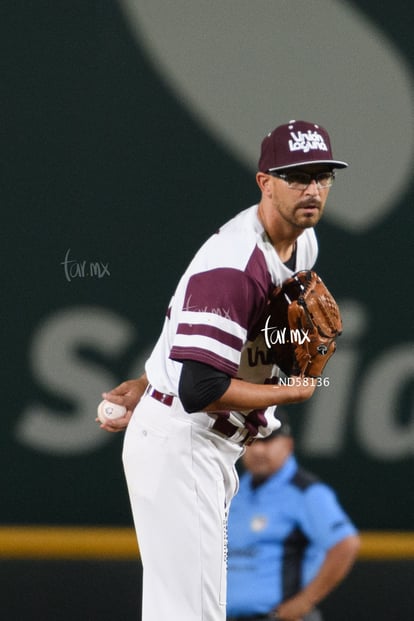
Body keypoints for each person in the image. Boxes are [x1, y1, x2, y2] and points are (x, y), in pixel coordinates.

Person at [98, 120, 349, 621]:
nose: (312, 189)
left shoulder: (304, 242)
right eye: (297, 176)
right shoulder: (234, 264)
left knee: (184, 611)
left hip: (201, 443)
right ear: (265, 182)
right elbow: (199, 387)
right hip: (183, 440)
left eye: (322, 176)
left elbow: (213, 342)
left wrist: (149, 382)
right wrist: (291, 394)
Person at [226, 412, 360, 621]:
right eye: (253, 440)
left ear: (288, 445)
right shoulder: (233, 490)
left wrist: (304, 602)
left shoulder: (307, 492)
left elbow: (345, 544)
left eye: (269, 441)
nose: (259, 449)